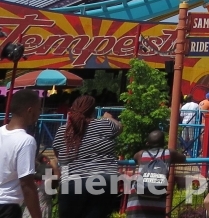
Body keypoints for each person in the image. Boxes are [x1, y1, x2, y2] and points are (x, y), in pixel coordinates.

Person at [52, 95, 121, 218]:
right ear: (93, 111)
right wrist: (108, 118)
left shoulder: (63, 131)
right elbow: (119, 127)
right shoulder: (105, 125)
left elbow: (58, 155)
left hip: (71, 183)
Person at [0, 89, 42, 218]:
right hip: (8, 206)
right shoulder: (26, 141)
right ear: (30, 111)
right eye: (38, 109)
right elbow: (27, 184)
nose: (39, 113)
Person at [125, 130, 186, 218]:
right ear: (164, 143)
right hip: (157, 197)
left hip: (137, 200)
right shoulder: (169, 153)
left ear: (147, 143)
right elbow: (182, 158)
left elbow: (135, 158)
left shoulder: (140, 154)